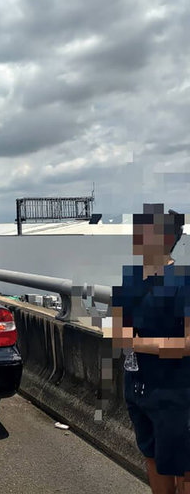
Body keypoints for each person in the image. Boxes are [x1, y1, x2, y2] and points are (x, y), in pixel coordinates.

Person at [112, 204, 190, 494]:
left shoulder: (184, 281)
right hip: (137, 386)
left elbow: (187, 344)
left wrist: (138, 343)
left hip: (176, 391)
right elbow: (119, 332)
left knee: (182, 466)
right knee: (152, 457)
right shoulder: (130, 279)